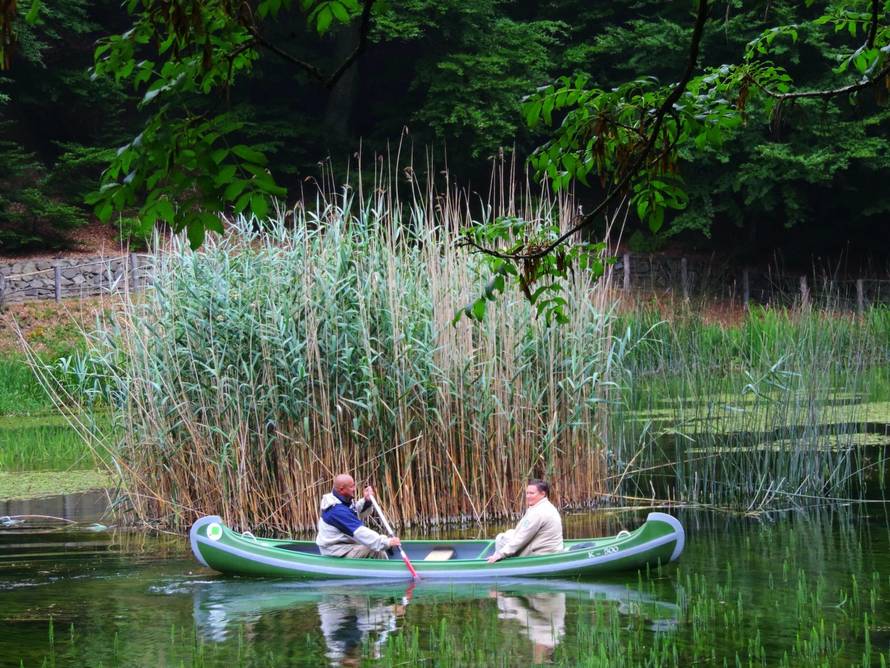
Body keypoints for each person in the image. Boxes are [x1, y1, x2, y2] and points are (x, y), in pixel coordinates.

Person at [316, 473, 401, 558]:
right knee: (375, 550)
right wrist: (387, 543)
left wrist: (367, 501)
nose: (354, 489)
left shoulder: (340, 499)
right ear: (342, 490)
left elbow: (354, 511)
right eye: (351, 487)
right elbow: (360, 532)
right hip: (335, 550)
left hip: (344, 545)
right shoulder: (336, 510)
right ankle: (386, 570)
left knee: (381, 541)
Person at [487, 479, 563, 563]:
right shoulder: (544, 506)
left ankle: (498, 564)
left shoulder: (538, 513)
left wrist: (500, 554)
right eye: (527, 493)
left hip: (541, 552)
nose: (528, 496)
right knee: (509, 532)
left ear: (543, 494)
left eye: (532, 493)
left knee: (500, 538)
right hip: (551, 548)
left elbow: (521, 539)